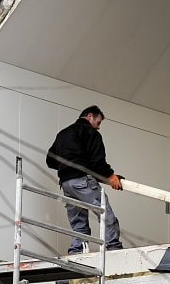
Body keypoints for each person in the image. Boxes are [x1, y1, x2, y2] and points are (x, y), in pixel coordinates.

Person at [46, 105, 124, 254]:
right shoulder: (90, 132)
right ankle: (114, 247)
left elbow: (50, 160)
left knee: (78, 221)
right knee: (106, 215)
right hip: (82, 181)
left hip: (66, 184)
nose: (98, 127)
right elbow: (98, 162)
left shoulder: (63, 134)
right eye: (98, 122)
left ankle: (76, 251)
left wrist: (67, 167)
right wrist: (111, 176)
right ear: (90, 116)